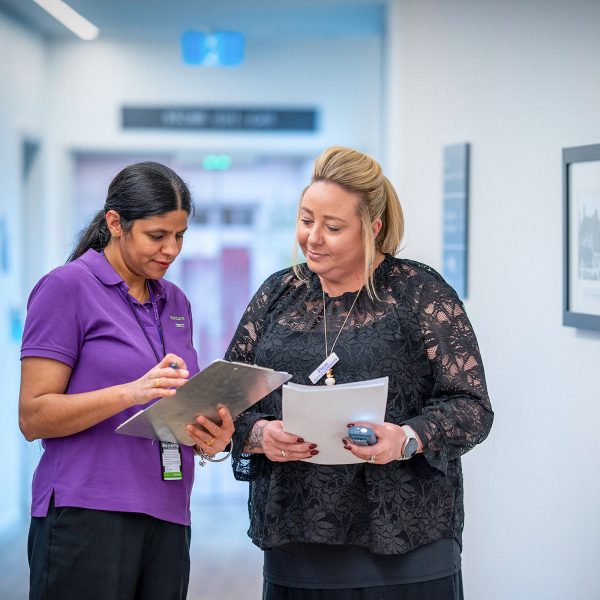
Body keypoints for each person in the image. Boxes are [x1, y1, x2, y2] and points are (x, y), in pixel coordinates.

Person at [226, 146, 494, 599]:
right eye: (306, 220)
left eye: (332, 227)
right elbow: (228, 402)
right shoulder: (278, 294)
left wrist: (406, 438)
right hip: (297, 539)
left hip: (406, 542)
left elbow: (471, 406)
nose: (312, 237)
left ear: (373, 228)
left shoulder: (418, 293)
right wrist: (260, 435)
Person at [19, 161, 234, 600]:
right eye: (158, 236)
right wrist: (130, 393)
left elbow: (171, 406)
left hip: (169, 510)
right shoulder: (66, 288)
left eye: (179, 235)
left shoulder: (175, 301)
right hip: (88, 511)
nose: (171, 249)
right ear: (115, 223)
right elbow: (33, 415)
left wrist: (210, 436)